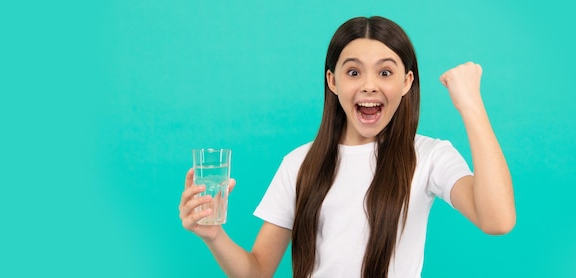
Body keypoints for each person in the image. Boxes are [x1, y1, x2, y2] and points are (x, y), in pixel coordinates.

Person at [179, 16, 515, 278]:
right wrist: (213, 235)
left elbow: (497, 220)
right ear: (333, 81)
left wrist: (471, 105)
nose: (369, 85)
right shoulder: (300, 163)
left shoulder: (428, 156)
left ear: (406, 83)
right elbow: (258, 270)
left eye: (385, 72)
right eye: (354, 71)